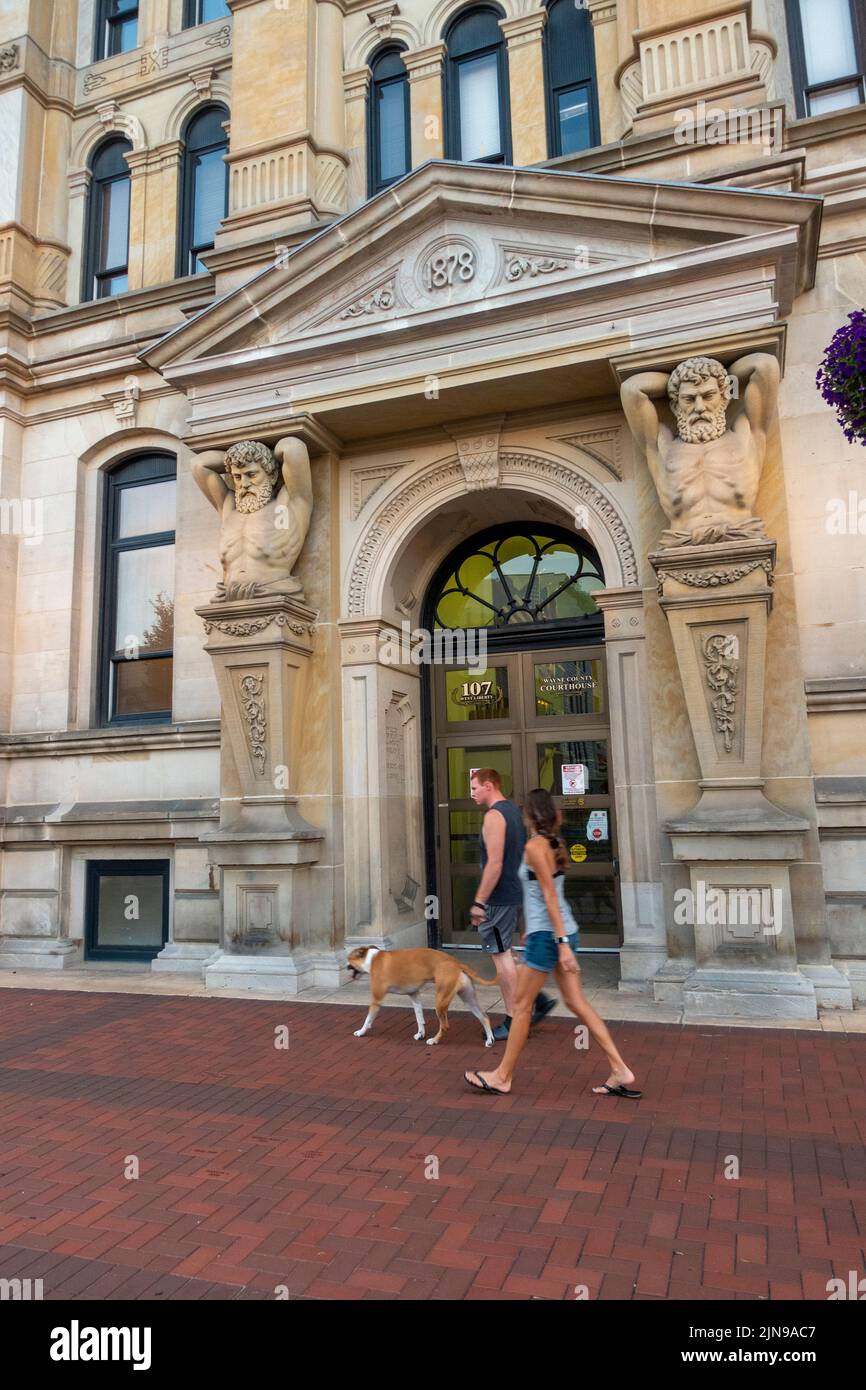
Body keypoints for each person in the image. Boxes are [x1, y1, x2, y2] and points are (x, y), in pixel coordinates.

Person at [464, 787, 641, 1098]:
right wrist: (538, 932)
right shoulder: (555, 843)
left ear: (530, 816)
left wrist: (557, 942)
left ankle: (502, 1076)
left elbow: (547, 895)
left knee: (521, 1007)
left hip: (550, 937)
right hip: (556, 932)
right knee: (576, 1003)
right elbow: (545, 894)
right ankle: (619, 1069)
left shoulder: (535, 846)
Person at [469, 769, 555, 1041]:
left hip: (499, 897)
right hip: (514, 894)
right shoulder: (514, 814)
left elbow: (494, 864)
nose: (471, 793)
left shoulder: (494, 816)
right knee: (507, 952)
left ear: (490, 786)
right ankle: (537, 1000)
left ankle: (513, 1018)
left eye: (475, 787)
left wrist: (479, 902)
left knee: (501, 957)